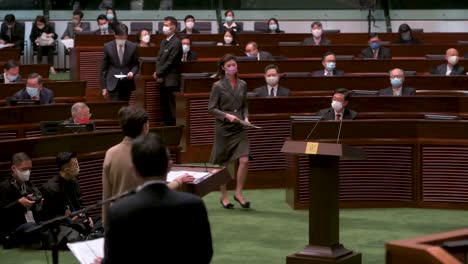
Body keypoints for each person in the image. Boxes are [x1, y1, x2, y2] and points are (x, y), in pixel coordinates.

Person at [95, 133, 212, 264]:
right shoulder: (194, 205)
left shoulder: (118, 211)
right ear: (169, 166)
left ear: (134, 171)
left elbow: (114, 260)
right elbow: (204, 254)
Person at [102, 106, 193, 226]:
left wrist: (105, 223)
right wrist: (178, 181)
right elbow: (153, 192)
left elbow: (106, 195)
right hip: (144, 218)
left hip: (118, 218)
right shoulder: (148, 153)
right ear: (145, 127)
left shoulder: (110, 153)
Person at [208, 53, 251, 209]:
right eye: (229, 66)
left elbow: (245, 105)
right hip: (224, 128)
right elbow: (211, 108)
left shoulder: (242, 84)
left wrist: (246, 117)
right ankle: (224, 196)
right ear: (223, 68)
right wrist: (226, 116)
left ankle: (239, 192)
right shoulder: (218, 86)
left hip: (239, 126)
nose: (233, 68)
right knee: (224, 164)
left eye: (234, 65)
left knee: (244, 160)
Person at [41, 152, 95, 244]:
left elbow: (80, 204)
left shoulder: (74, 181)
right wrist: (70, 220)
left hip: (77, 221)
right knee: (74, 237)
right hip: (60, 225)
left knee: (104, 222)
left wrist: (87, 217)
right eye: (76, 165)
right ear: (66, 169)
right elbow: (51, 217)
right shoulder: (50, 188)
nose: (78, 167)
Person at [0, 152, 43, 249]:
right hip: (13, 228)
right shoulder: (4, 187)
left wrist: (38, 202)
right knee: (32, 227)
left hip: (30, 222)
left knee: (48, 223)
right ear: (14, 168)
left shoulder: (28, 184)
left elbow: (38, 195)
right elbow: (2, 213)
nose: (28, 172)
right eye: (24, 169)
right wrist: (19, 203)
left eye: (30, 169)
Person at [153, 16, 182, 126]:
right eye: (163, 25)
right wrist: (158, 73)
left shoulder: (176, 42)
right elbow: (159, 59)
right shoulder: (164, 42)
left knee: (172, 109)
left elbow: (171, 62)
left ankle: (174, 131)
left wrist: (158, 73)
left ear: (173, 27)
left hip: (171, 81)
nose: (163, 27)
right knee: (165, 108)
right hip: (162, 80)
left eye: (166, 25)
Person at [101, 23, 139, 102]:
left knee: (125, 108)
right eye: (120, 38)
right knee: (115, 107)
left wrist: (132, 72)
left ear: (127, 36)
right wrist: (104, 87)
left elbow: (136, 65)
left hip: (127, 83)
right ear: (115, 35)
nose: (122, 40)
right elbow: (104, 69)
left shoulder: (133, 46)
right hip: (112, 83)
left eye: (124, 37)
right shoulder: (107, 47)